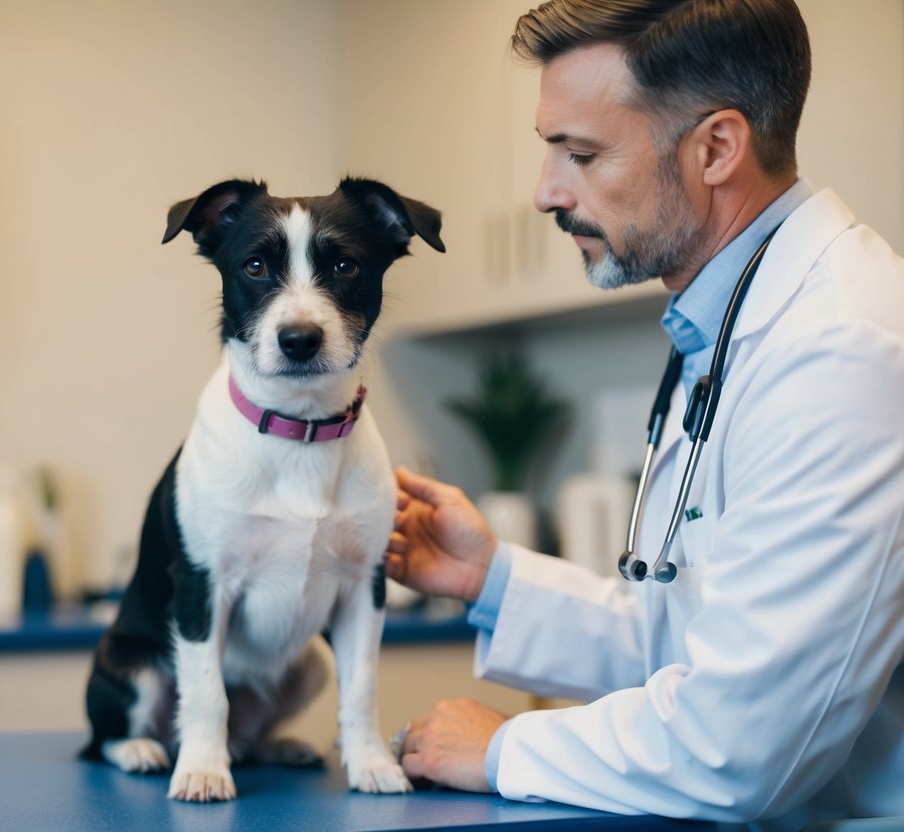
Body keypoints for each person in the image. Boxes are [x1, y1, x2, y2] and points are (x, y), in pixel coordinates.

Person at [386, 1, 904, 828]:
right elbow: (688, 639)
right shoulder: (727, 322)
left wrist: (502, 749)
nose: (544, 194)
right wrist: (489, 579)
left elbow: (744, 743)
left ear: (716, 148)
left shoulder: (838, 348)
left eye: (580, 154)